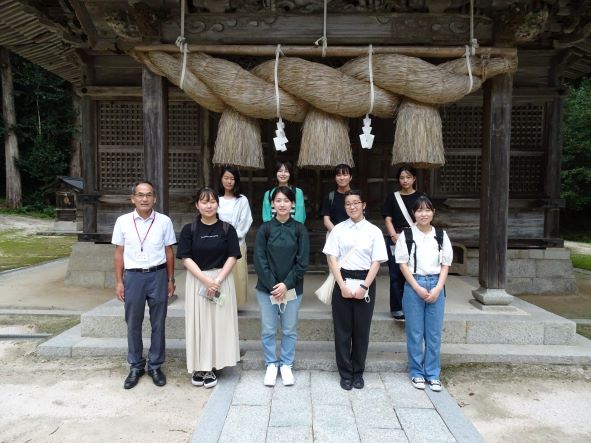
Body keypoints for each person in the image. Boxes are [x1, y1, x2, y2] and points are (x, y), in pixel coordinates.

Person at [112, 181, 177, 390]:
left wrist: (170, 279)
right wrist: (119, 281)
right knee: (133, 322)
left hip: (157, 275)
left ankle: (156, 365)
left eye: (148, 195)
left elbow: (169, 252)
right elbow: (119, 254)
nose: (144, 199)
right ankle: (136, 366)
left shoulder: (164, 221)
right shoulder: (122, 221)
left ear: (154, 198)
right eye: (140, 195)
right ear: (133, 198)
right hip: (133, 277)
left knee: (158, 322)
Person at [323, 190, 388, 390]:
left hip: (365, 280)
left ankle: (358, 372)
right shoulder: (338, 230)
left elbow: (376, 262)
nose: (352, 207)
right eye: (348, 204)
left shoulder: (373, 231)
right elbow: (332, 258)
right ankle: (345, 373)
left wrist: (364, 286)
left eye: (356, 203)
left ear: (364, 205)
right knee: (342, 330)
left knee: (361, 330)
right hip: (342, 279)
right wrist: (341, 285)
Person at [177, 187, 241, 388]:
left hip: (222, 279)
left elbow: (233, 256)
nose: (209, 205)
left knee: (219, 323)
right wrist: (206, 281)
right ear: (197, 205)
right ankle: (200, 366)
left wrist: (218, 280)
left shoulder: (227, 229)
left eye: (212, 201)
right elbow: (185, 258)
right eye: (204, 202)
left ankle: (213, 365)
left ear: (218, 204)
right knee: (200, 322)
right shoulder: (189, 230)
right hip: (198, 280)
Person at [395, 195, 452, 393]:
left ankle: (433, 374)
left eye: (427, 210)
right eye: (419, 210)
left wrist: (437, 289)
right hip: (414, 284)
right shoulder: (407, 235)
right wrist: (417, 287)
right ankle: (417, 372)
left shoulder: (441, 235)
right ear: (414, 213)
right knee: (415, 332)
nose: (423, 214)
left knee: (434, 334)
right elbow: (402, 264)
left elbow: (445, 265)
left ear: (433, 212)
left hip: (436, 283)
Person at [254, 186, 309, 387]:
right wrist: (273, 285)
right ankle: (270, 363)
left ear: (293, 204)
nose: (282, 204)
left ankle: (286, 363)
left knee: (289, 328)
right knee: (268, 328)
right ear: (272, 204)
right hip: (266, 288)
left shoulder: (300, 229)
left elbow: (302, 262)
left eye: (286, 200)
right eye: (278, 200)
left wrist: (286, 285)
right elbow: (259, 260)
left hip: (292, 289)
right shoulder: (265, 229)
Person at [382, 164, 423, 321]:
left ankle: (413, 307)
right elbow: (387, 218)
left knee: (414, 272)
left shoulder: (421, 197)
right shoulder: (393, 197)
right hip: (396, 238)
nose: (405, 181)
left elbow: (423, 218)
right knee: (396, 273)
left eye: (408, 177)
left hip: (415, 237)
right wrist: (393, 235)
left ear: (414, 179)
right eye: (402, 178)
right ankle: (397, 308)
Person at [217, 166, 253, 306]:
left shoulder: (242, 200)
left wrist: (231, 237)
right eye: (226, 178)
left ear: (236, 181)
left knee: (237, 276)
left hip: (236, 242)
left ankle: (235, 305)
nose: (229, 181)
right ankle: (220, 302)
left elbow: (245, 221)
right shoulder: (216, 199)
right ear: (221, 179)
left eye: (232, 179)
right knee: (219, 274)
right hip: (218, 243)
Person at [321, 163, 353, 232]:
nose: (342, 178)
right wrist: (337, 234)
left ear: (350, 177)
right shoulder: (330, 196)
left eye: (345, 175)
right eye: (339, 175)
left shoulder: (356, 196)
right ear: (335, 178)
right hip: (334, 234)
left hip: (354, 235)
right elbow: (326, 220)